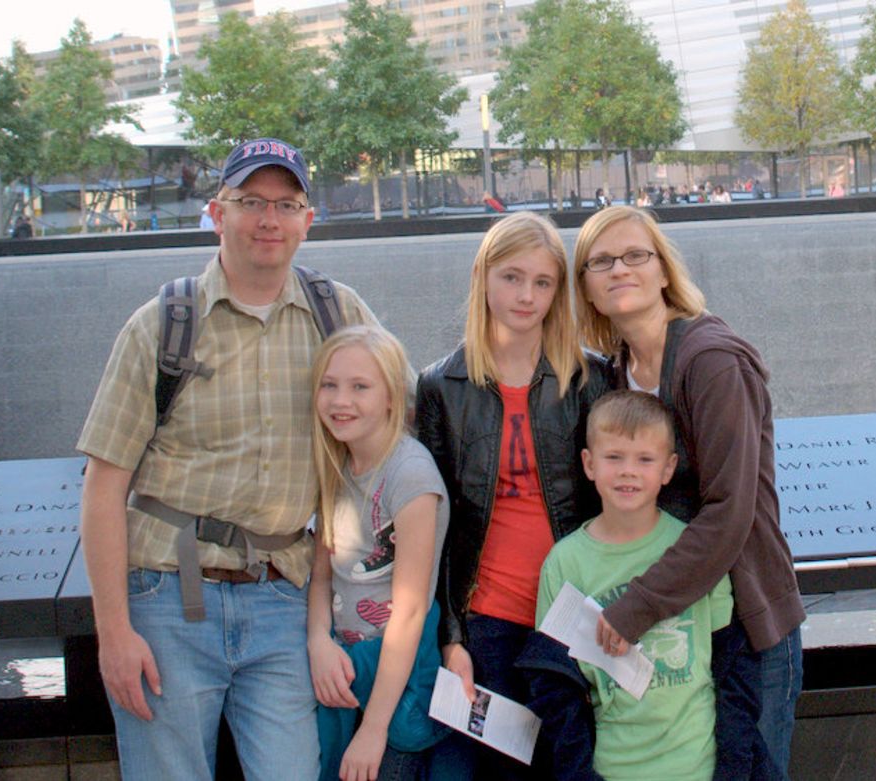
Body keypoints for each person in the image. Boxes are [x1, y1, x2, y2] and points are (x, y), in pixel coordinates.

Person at [77, 137, 381, 781]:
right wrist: (113, 632)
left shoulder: (339, 315)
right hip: (165, 598)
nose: (268, 220)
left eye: (286, 204)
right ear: (218, 213)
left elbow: (394, 430)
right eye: (250, 202)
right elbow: (103, 489)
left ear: (307, 220)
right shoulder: (162, 324)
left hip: (284, 599)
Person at [574, 206, 805, 779]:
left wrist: (637, 606)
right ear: (586, 287)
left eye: (635, 255)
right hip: (675, 628)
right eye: (601, 261)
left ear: (662, 271)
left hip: (744, 631)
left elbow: (732, 511)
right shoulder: (618, 371)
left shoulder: (712, 362)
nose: (619, 269)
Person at [416, 211, 609, 779]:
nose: (526, 295)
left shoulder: (588, 380)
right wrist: (451, 637)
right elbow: (434, 534)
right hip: (489, 622)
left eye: (543, 282)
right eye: (512, 277)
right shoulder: (440, 387)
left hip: (574, 616)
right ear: (483, 277)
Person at [537, 390, 732, 780]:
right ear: (589, 464)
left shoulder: (695, 550)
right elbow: (557, 687)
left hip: (698, 766)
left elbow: (730, 664)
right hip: (614, 768)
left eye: (645, 459)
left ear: (668, 468)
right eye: (614, 458)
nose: (628, 471)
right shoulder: (565, 564)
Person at [308, 325, 450, 781]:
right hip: (343, 666)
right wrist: (318, 642)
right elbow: (323, 575)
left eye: (359, 387)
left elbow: (410, 610)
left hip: (396, 681)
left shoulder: (410, 475)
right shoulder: (334, 462)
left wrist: (373, 729)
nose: (340, 400)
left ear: (391, 396)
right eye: (329, 385)